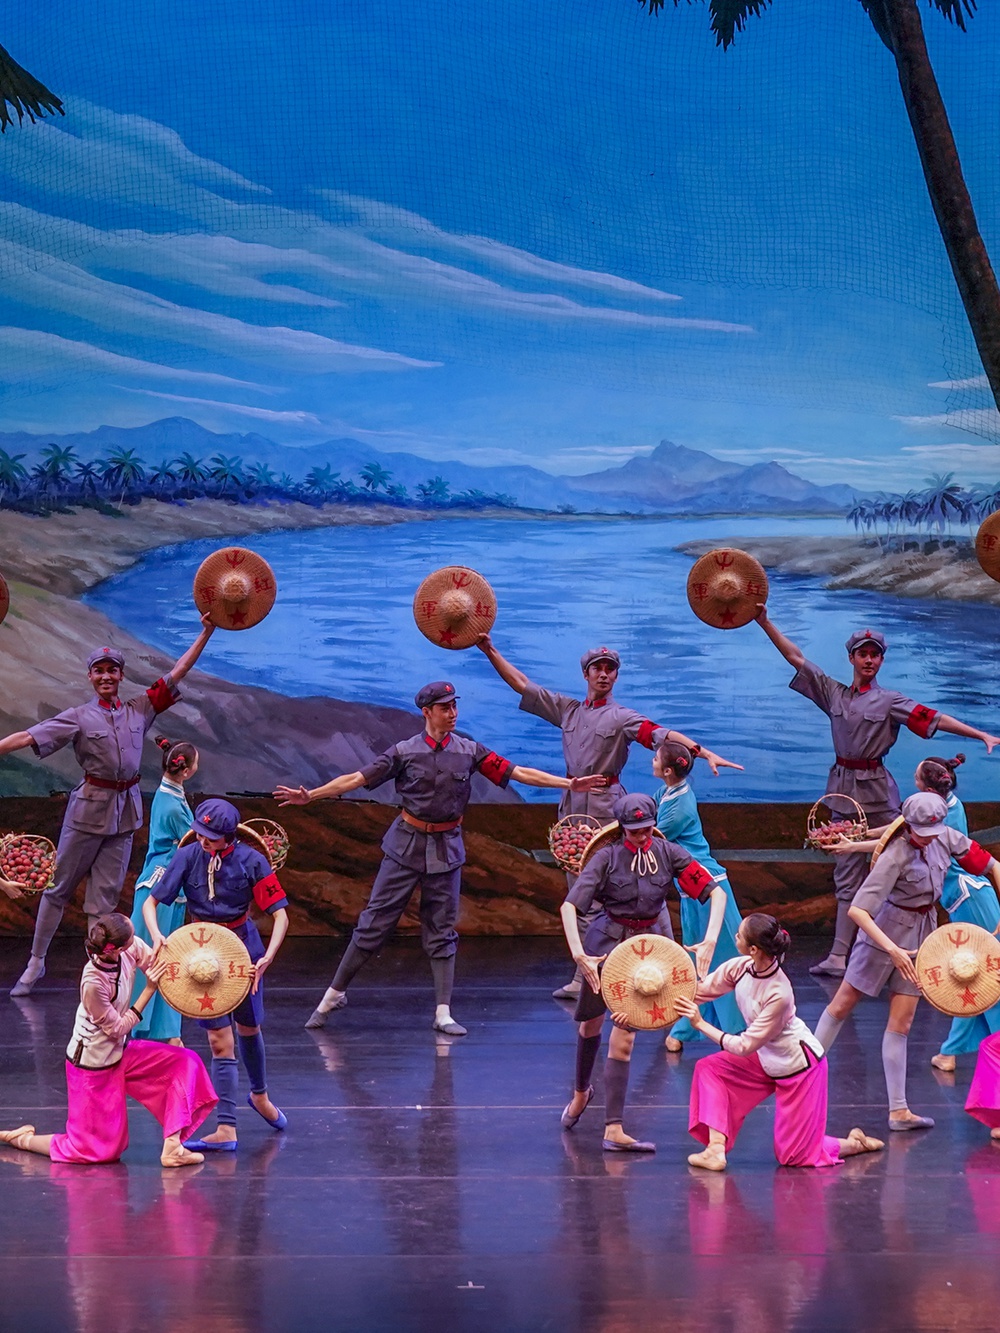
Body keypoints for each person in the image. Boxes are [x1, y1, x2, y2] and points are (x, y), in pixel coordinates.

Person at [276, 681, 605, 1036]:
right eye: (445, 707)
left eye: (454, 706)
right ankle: (334, 994)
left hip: (447, 848)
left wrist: (568, 785)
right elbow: (356, 779)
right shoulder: (404, 752)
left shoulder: (469, 750)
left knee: (442, 929)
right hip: (406, 845)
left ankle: (443, 1012)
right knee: (373, 924)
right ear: (427, 712)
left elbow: (518, 772)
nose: (452, 713)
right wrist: (312, 795)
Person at [477, 636, 742, 997]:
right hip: (573, 811)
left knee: (618, 892)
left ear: (616, 676)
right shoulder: (568, 710)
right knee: (579, 892)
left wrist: (702, 751)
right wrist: (489, 650)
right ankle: (584, 976)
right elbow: (522, 684)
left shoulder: (621, 717)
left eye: (610, 669)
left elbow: (661, 735)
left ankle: (634, 974)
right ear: (585, 674)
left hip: (607, 810)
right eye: (597, 669)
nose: (603, 674)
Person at [754, 611, 999, 977]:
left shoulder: (889, 701)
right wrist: (764, 622)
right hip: (843, 793)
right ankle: (839, 956)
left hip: (880, 795)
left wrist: (980, 735)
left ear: (882, 660)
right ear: (851, 658)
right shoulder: (833, 694)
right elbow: (795, 657)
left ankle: (916, 950)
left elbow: (933, 717)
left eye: (875, 655)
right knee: (846, 873)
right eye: (863, 654)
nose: (869, 660)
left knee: (905, 864)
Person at [0, 613, 216, 996]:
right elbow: (29, 736)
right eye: (98, 671)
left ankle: (97, 974)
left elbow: (177, 674)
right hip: (86, 813)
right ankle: (36, 961)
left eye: (111, 670)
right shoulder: (78, 717)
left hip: (124, 814)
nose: (105, 676)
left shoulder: (139, 708)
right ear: (90, 677)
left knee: (104, 902)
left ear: (120, 675)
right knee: (57, 889)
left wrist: (207, 631)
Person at [814, 792, 997, 1130]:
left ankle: (898, 1111)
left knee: (903, 1021)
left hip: (922, 935)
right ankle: (801, 1076)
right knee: (842, 1003)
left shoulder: (946, 837)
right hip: (883, 932)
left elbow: (991, 865)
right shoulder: (894, 855)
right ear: (908, 825)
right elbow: (858, 910)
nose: (928, 838)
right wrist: (892, 949)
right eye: (922, 832)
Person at [559, 791, 726, 1153]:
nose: (642, 836)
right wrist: (579, 954)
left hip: (650, 948)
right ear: (622, 829)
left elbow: (716, 893)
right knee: (590, 1025)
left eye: (647, 829)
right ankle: (581, 1092)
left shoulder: (667, 853)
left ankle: (614, 1128)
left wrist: (710, 939)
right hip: (607, 945)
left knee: (625, 1034)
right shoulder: (606, 858)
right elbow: (570, 907)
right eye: (634, 831)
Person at [0, 913, 216, 1166]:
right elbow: (117, 1028)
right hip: (93, 1064)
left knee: (184, 1062)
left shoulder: (129, 947)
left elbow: (159, 967)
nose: (136, 939)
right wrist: (149, 989)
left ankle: (172, 1147)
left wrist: (200, 972)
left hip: (120, 1051)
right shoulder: (93, 982)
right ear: (118, 947)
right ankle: (21, 1139)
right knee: (94, 1151)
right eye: (132, 936)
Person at [676, 913, 884, 1171]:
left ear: (753, 949)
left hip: (798, 1067)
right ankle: (715, 1150)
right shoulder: (740, 968)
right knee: (711, 1069)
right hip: (766, 1055)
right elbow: (697, 992)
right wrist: (652, 995)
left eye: (739, 935)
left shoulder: (779, 992)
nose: (735, 937)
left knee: (794, 1157)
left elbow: (744, 1046)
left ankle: (853, 1144)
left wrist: (700, 1024)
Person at [143, 798, 289, 1152]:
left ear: (229, 836)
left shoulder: (252, 861)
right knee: (218, 1040)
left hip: (242, 949)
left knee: (249, 1027)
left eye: (210, 837)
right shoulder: (188, 856)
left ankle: (260, 1095)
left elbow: (281, 914)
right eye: (200, 833)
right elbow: (151, 902)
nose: (203, 841)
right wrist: (158, 935)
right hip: (200, 956)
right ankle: (226, 1128)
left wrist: (268, 956)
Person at [653, 740, 745, 1052]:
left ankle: (737, 1030)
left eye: (656, 758)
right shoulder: (667, 792)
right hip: (689, 887)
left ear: (668, 770)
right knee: (694, 959)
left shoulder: (678, 808)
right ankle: (687, 1027)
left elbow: (652, 837)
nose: (652, 761)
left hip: (707, 885)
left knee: (724, 959)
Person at [918, 755, 1000, 1072]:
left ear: (928, 789)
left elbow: (898, 833)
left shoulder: (937, 820)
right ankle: (950, 1051)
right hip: (966, 895)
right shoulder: (950, 805)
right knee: (969, 974)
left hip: (970, 897)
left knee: (987, 975)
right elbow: (898, 829)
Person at [129, 737, 200, 1044]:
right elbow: (195, 842)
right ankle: (150, 1029)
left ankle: (164, 1032)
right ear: (186, 770)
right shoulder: (173, 806)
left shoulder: (169, 792)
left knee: (164, 959)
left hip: (166, 881)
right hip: (162, 886)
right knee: (156, 958)